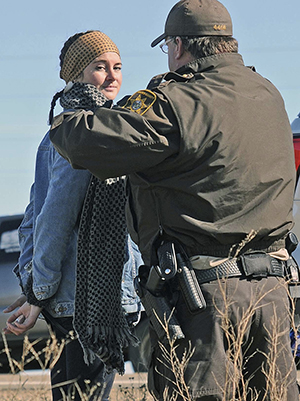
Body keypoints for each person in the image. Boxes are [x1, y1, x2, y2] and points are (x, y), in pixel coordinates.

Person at [49, 1, 299, 400]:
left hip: (205, 301)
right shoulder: (267, 94)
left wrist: (71, 108)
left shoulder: (177, 101)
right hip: (273, 293)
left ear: (178, 45)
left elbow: (85, 142)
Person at [4, 30, 141, 401]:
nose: (112, 76)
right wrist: (39, 290)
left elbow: (33, 219)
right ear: (74, 74)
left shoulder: (60, 131)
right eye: (100, 67)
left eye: (117, 67)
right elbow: (50, 217)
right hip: (94, 302)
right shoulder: (91, 132)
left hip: (76, 300)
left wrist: (35, 284)